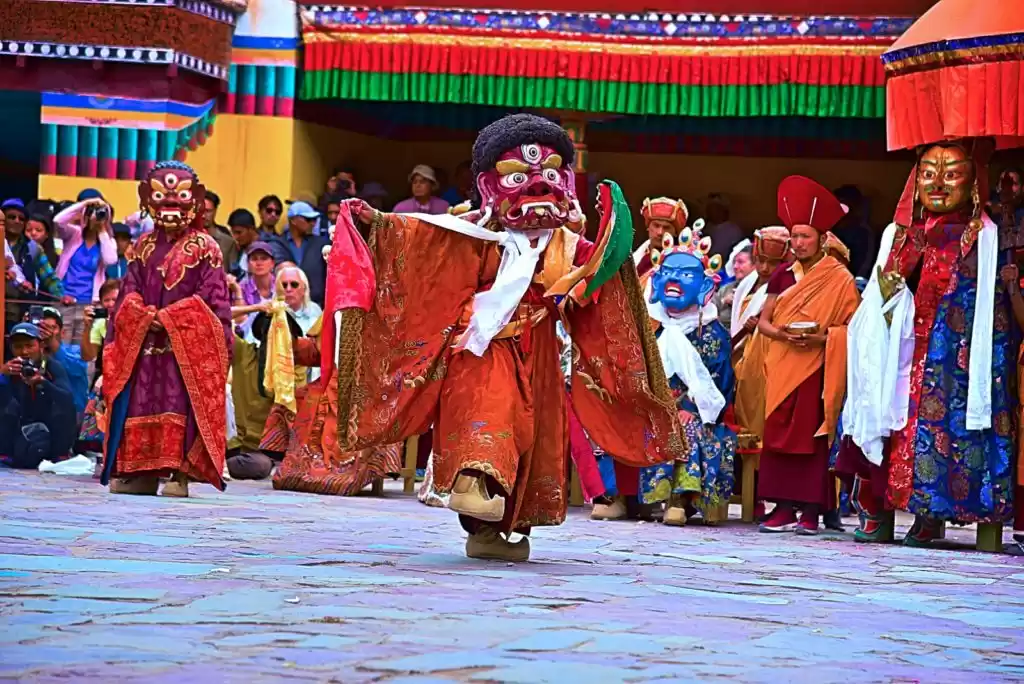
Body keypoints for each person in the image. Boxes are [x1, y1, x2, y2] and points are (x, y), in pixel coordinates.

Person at [327, 113, 684, 561]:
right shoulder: (469, 233)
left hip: (540, 356)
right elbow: (414, 247)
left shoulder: (567, 244)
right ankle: (472, 482)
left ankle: (492, 532)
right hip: (483, 348)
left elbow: (601, 282)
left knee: (531, 438)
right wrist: (370, 226)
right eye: (518, 175)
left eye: (551, 173)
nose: (537, 185)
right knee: (489, 413)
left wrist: (608, 252)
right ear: (488, 184)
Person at [840, 140, 1017, 546]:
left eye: (951, 174)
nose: (937, 184)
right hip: (898, 351)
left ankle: (931, 514)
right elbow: (882, 294)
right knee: (886, 424)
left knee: (942, 428)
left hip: (952, 354)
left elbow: (988, 304)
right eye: (927, 173)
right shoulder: (899, 234)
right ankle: (879, 512)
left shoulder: (983, 235)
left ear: (973, 180)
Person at [101, 161, 233, 498]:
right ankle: (139, 471)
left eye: (180, 196)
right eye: (160, 196)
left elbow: (213, 300)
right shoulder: (141, 246)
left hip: (183, 347)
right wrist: (143, 314)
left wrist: (173, 317)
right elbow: (127, 291)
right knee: (140, 402)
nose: (169, 204)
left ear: (195, 200)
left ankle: (179, 473)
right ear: (147, 198)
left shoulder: (207, 247)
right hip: (144, 343)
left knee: (180, 401)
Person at [751, 176, 859, 535]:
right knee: (779, 434)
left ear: (821, 239)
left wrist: (823, 338)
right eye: (794, 237)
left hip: (817, 365)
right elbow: (763, 322)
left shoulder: (839, 278)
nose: (797, 244)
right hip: (784, 363)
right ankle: (781, 509)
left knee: (811, 439)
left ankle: (810, 512)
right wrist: (783, 334)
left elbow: (851, 328)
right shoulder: (782, 275)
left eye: (805, 237)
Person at [635, 223, 737, 526]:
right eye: (668, 273)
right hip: (654, 403)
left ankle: (681, 498)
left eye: (686, 275)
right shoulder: (648, 326)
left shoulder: (712, 331)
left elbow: (719, 383)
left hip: (697, 410)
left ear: (705, 288)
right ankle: (623, 498)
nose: (674, 280)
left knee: (686, 426)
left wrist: (689, 407)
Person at [0, 322, 77, 469]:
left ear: (40, 345)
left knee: (64, 406)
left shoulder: (53, 367)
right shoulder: (10, 369)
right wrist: (2, 377)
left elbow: (68, 399)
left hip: (49, 426)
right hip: (21, 428)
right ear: (11, 349)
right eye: (18, 347)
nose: (24, 352)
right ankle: (5, 453)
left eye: (30, 346)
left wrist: (43, 383)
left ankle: (60, 454)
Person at [52, 195, 118, 303]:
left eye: (101, 215)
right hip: (63, 298)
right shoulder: (74, 234)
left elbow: (110, 260)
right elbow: (57, 221)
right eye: (94, 213)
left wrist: (101, 229)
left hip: (89, 301)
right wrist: (85, 203)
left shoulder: (108, 241)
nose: (97, 217)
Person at [274, 201, 329, 307]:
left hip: (316, 306)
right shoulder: (278, 243)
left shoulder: (321, 244)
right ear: (294, 220)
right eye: (308, 220)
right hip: (286, 305)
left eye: (314, 220)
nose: (313, 223)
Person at [37, 306, 89, 416]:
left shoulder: (76, 351)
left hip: (74, 416)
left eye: (52, 327)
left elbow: (77, 369)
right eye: (42, 327)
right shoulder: (31, 353)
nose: (48, 331)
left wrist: (52, 342)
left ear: (63, 332)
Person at [633, 197, 689, 283]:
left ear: (675, 233)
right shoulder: (631, 260)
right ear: (648, 227)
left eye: (666, 228)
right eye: (656, 225)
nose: (660, 232)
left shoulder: (683, 264)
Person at [716, 241, 753, 327]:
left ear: (754, 265)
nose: (735, 266)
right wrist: (724, 301)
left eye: (740, 262)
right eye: (734, 262)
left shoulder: (759, 290)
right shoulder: (725, 289)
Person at [203, 190, 239, 274]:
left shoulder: (227, 242)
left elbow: (233, 273)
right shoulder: (185, 238)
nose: (203, 215)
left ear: (215, 211)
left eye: (208, 211)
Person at [703, 192, 745, 260]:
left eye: (714, 209)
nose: (709, 212)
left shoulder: (734, 230)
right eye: (709, 209)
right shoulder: (706, 227)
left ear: (723, 211)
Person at [227, 208, 259, 277]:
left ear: (251, 229)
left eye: (239, 232)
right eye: (233, 233)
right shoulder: (239, 249)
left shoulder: (265, 250)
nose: (235, 237)